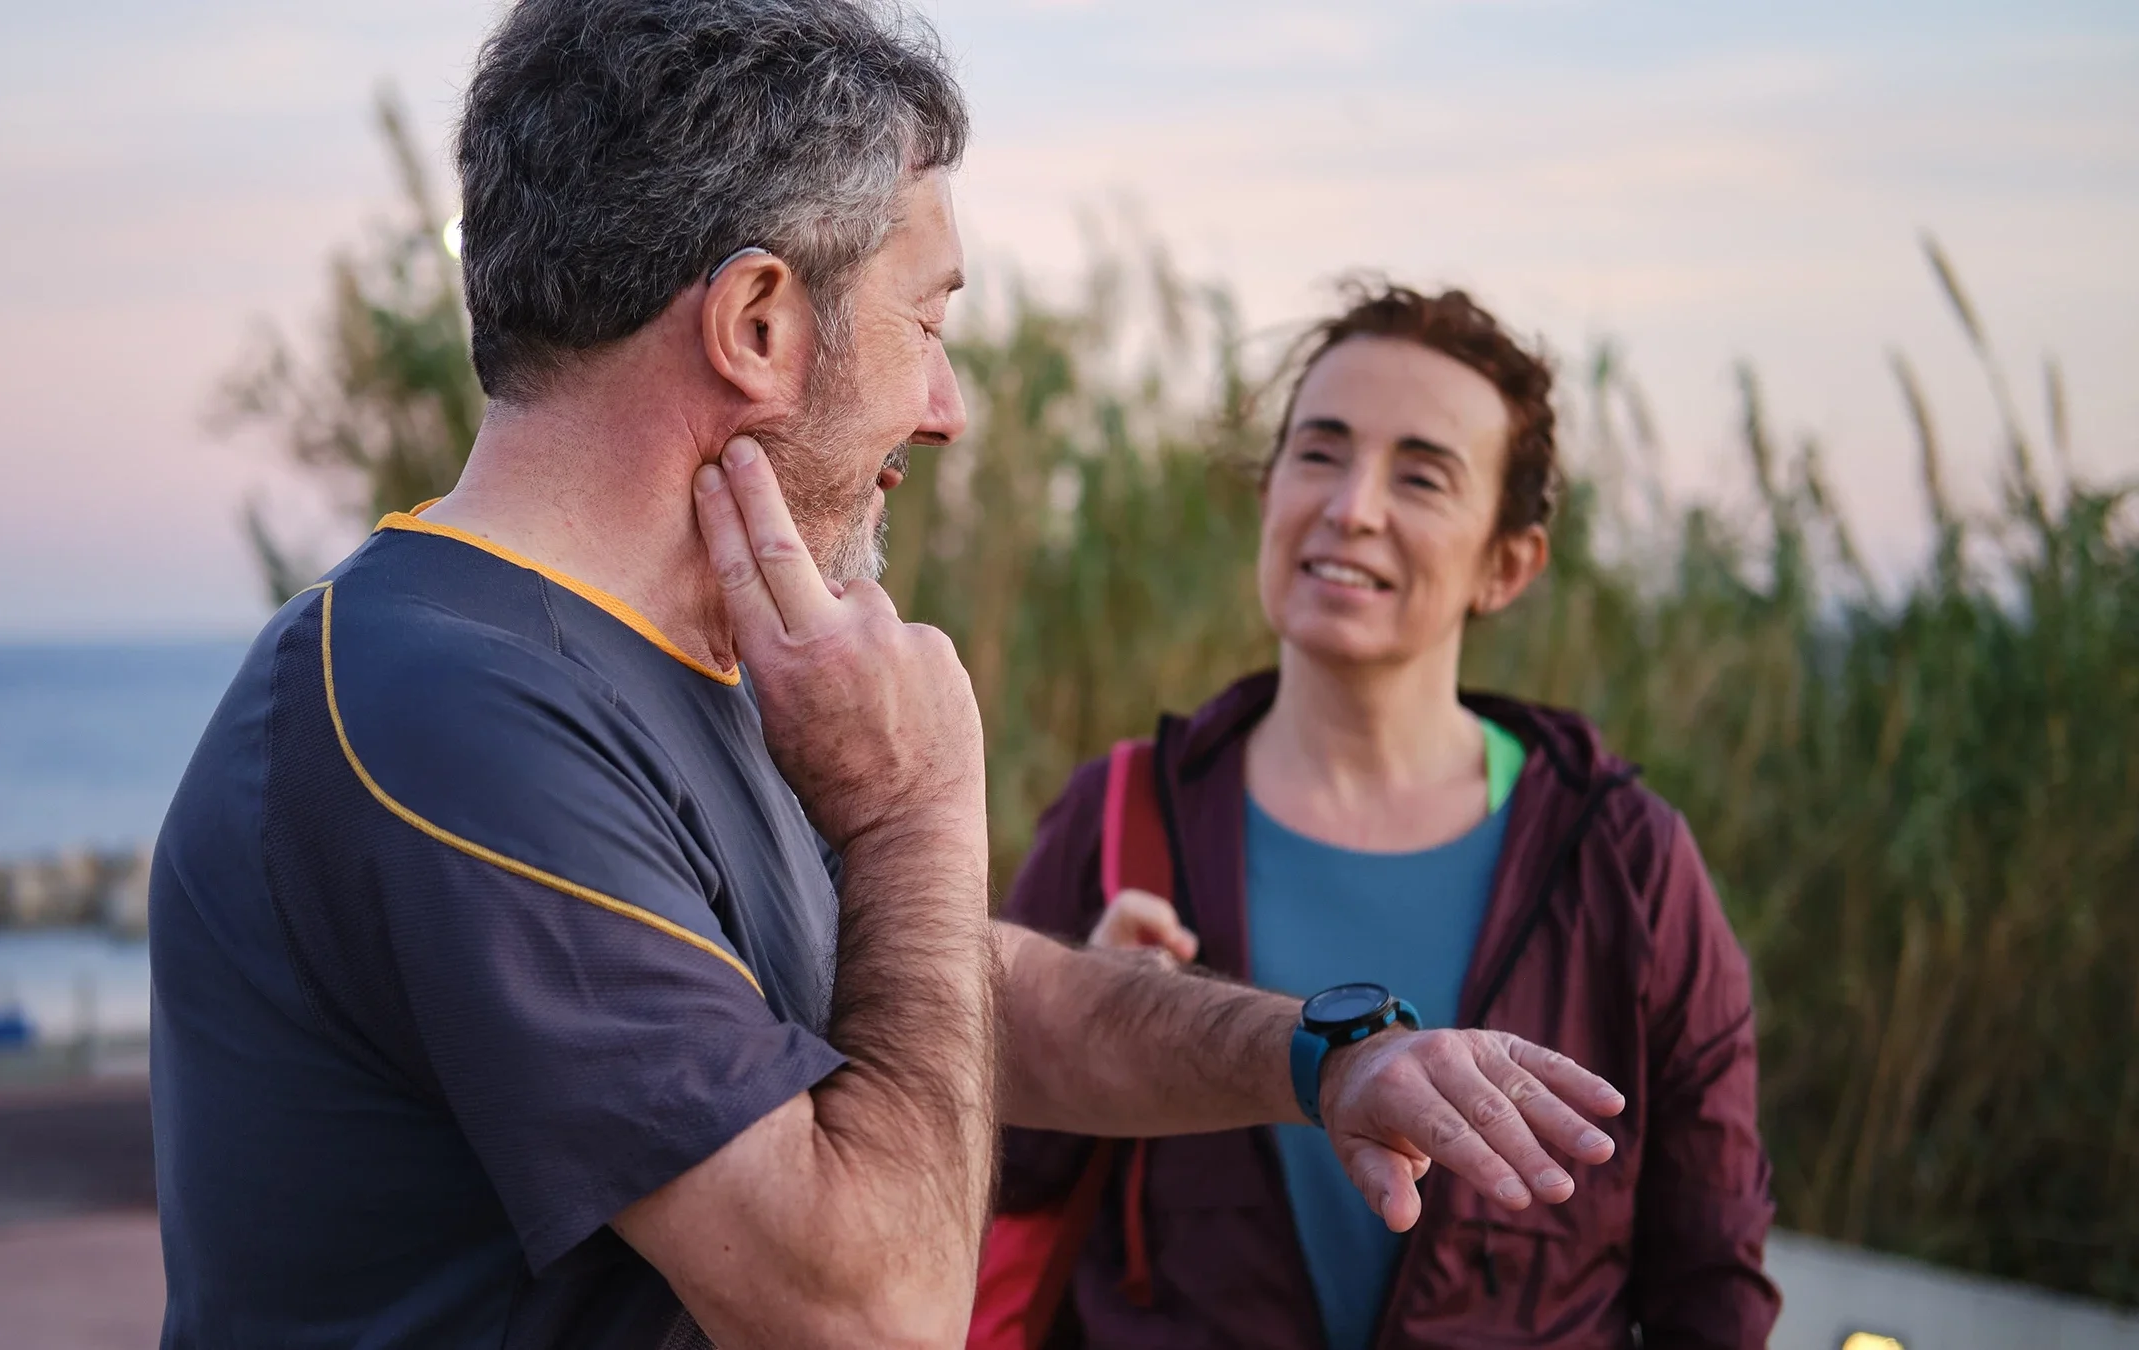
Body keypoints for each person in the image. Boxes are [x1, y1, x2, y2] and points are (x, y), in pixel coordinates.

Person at [147, 6, 1628, 1347]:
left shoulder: (672, 663)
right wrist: (919, 805)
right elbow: (871, 1312)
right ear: (760, 326)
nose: (950, 409)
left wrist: (1322, 1059)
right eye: (929, 322)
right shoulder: (447, 712)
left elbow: (946, 994)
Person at [998, 282, 1780, 1348]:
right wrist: (1078, 1006)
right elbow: (984, 1177)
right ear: (1270, 490)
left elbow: (1712, 1273)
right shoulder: (1123, 814)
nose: (1352, 506)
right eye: (1319, 453)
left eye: (1421, 475)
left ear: (1507, 565)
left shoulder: (1623, 860)